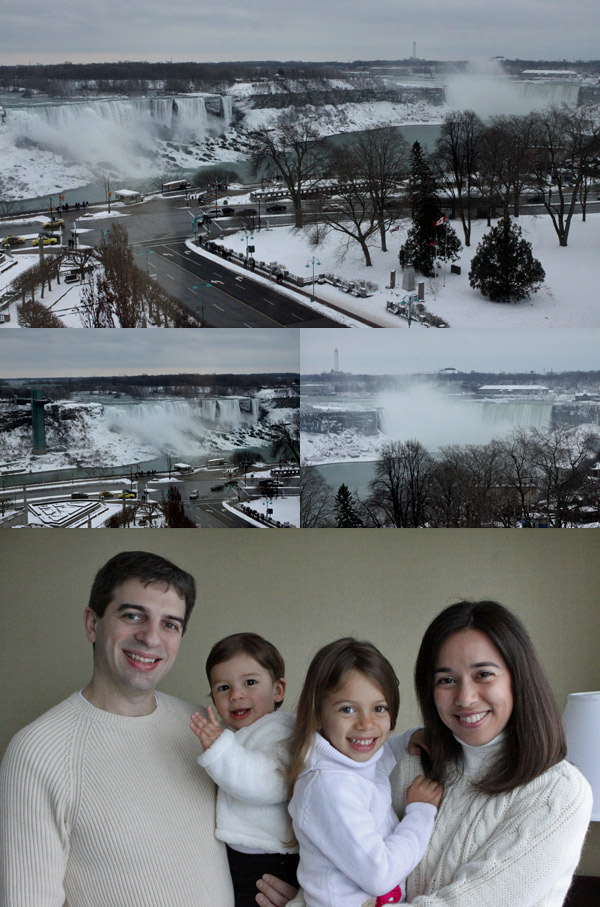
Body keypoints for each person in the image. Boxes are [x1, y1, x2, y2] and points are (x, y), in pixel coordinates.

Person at [272, 602, 593, 907]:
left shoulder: (557, 793)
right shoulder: (413, 765)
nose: (465, 698)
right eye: (447, 680)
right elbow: (345, 872)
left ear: (518, 679)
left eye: (484, 674)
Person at [0, 550, 235, 907]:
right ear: (93, 624)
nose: (151, 638)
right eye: (133, 615)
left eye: (170, 624)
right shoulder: (36, 752)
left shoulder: (205, 730)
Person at [286, 638, 443, 907]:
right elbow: (379, 875)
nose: (366, 723)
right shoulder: (329, 787)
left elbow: (377, 760)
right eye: (348, 709)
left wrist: (408, 739)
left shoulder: (350, 763)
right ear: (317, 715)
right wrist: (420, 813)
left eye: (379, 709)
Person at [190, 632, 299, 906]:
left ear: (278, 690)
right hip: (244, 857)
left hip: (272, 861)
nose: (236, 695)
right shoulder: (236, 735)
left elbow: (268, 781)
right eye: (223, 688)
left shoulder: (282, 732)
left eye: (250, 682)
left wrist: (220, 750)